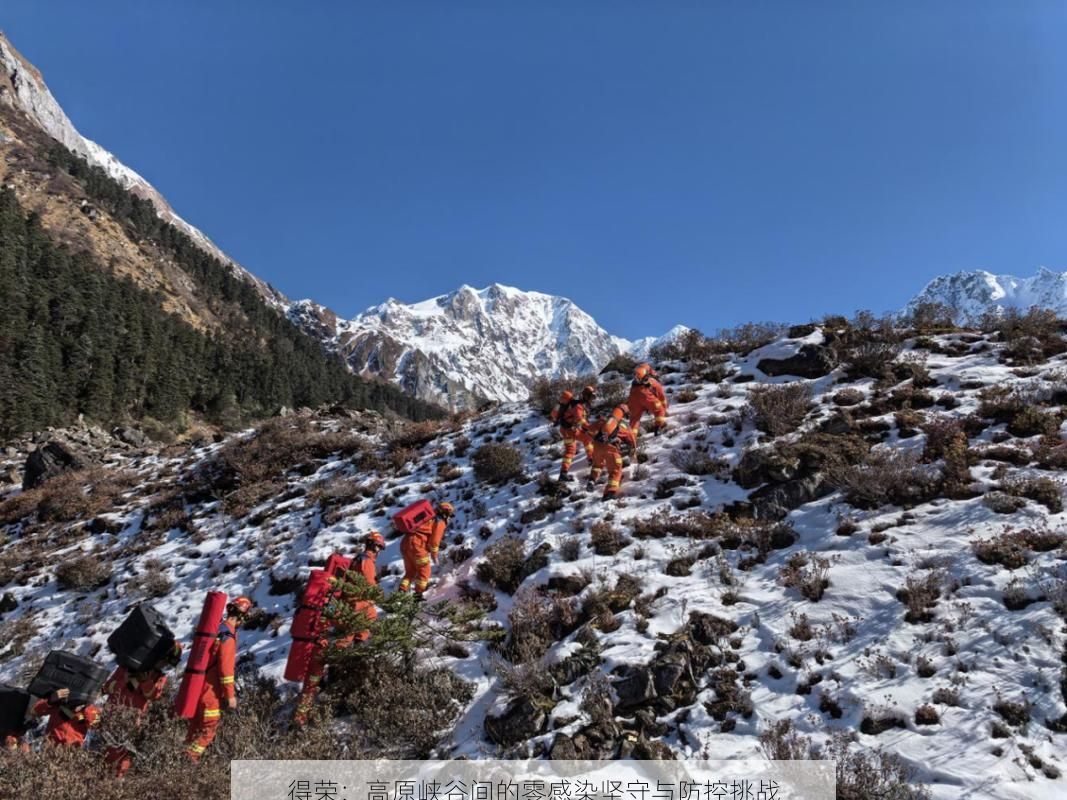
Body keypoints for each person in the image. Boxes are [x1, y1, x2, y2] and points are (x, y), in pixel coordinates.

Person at [292, 533, 384, 727]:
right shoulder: (366, 562)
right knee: (355, 632)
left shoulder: (323, 601)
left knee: (314, 681)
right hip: (324, 643)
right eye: (378, 547)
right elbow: (367, 587)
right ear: (375, 546)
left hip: (319, 640)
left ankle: (301, 718)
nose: (378, 551)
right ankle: (341, 673)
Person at [184, 596, 253, 762]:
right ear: (242, 617)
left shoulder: (217, 629)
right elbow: (226, 670)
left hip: (197, 687)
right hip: (210, 693)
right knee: (209, 729)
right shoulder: (228, 637)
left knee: (194, 728)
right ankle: (187, 760)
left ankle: (181, 758)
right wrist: (230, 696)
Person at [102, 642, 183, 775]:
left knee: (123, 756)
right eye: (164, 661)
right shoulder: (127, 666)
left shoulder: (158, 677)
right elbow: (107, 688)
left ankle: (117, 783)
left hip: (132, 720)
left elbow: (153, 695)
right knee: (106, 754)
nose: (164, 665)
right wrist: (125, 679)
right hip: (113, 716)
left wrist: (145, 681)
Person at [399, 501, 454, 596]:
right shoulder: (440, 521)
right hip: (417, 545)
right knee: (425, 570)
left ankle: (401, 592)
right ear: (446, 513)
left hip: (405, 543)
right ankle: (418, 595)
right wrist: (434, 555)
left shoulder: (427, 518)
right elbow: (434, 541)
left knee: (411, 571)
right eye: (449, 515)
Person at [587, 404, 638, 501]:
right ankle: (609, 493)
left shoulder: (605, 421)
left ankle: (592, 480)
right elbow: (632, 440)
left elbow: (590, 428)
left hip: (597, 446)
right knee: (615, 470)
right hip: (611, 448)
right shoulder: (623, 425)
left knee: (597, 465)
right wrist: (633, 453)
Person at [549, 385, 597, 481]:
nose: (593, 400)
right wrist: (589, 427)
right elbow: (579, 419)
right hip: (569, 430)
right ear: (586, 396)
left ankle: (590, 459)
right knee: (574, 448)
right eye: (592, 397)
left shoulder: (577, 404)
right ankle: (564, 473)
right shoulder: (578, 406)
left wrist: (585, 428)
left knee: (584, 440)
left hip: (567, 429)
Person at [30, 687, 100, 747]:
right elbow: (35, 711)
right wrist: (51, 699)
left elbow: (95, 725)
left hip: (71, 751)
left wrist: (87, 707)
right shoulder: (60, 704)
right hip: (50, 746)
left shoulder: (92, 710)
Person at [627, 363, 668, 436]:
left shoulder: (634, 383)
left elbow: (632, 396)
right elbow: (661, 395)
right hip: (646, 397)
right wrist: (664, 408)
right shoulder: (652, 380)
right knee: (659, 410)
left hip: (633, 399)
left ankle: (631, 438)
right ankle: (658, 429)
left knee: (634, 419)